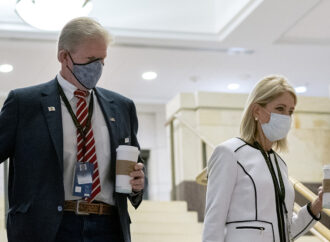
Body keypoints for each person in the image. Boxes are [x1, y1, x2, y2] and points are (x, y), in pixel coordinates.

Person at [0, 17, 145, 242]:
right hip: (46, 228)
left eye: (102, 59)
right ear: (63, 57)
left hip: (107, 227)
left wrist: (137, 183)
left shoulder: (122, 107)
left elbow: (133, 170)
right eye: (90, 59)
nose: (98, 67)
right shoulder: (24, 103)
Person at [203, 75, 323, 242]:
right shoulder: (229, 153)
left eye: (290, 111)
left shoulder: (280, 164)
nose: (286, 117)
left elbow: (285, 232)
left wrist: (317, 205)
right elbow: (213, 224)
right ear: (257, 111)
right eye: (280, 108)